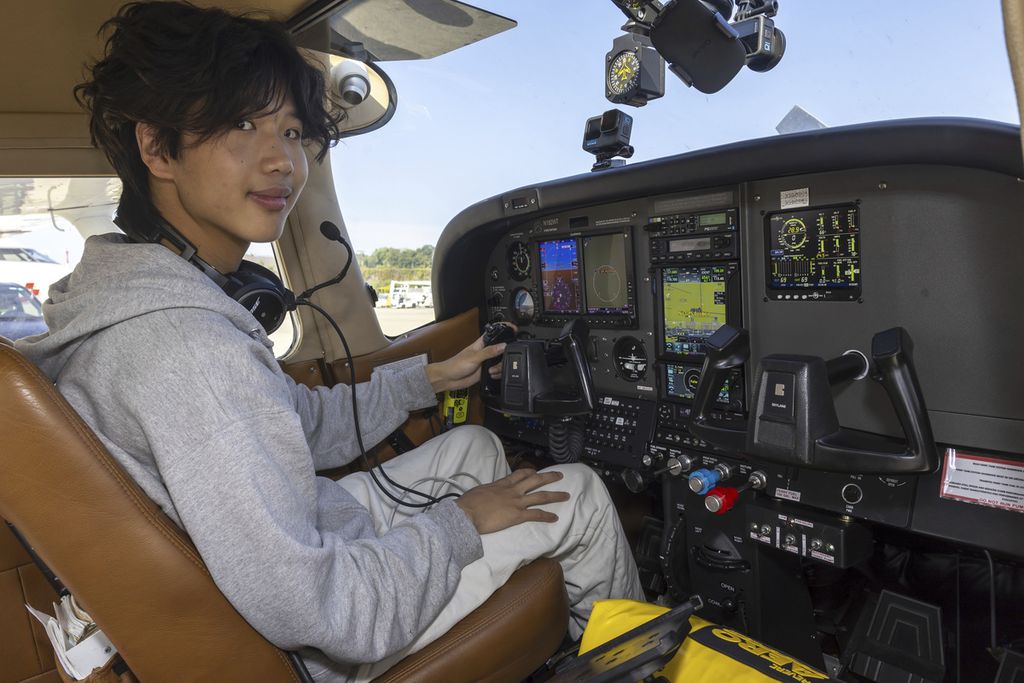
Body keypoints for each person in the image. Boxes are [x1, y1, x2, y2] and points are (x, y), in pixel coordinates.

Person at [16, 2, 643, 681]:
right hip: (318, 639)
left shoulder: (142, 298)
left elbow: (295, 426)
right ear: (158, 147)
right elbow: (322, 607)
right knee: (576, 493)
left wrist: (428, 378)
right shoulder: (188, 351)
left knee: (475, 446)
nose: (281, 159)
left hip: (280, 563)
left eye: (290, 129)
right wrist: (461, 522)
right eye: (240, 124)